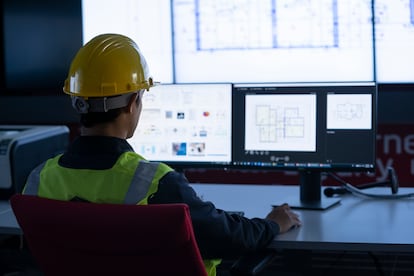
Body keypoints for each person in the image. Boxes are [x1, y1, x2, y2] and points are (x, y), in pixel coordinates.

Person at [22, 33, 301, 276]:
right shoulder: (156, 182)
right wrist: (271, 224)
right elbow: (229, 237)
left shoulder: (38, 179)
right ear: (133, 103)